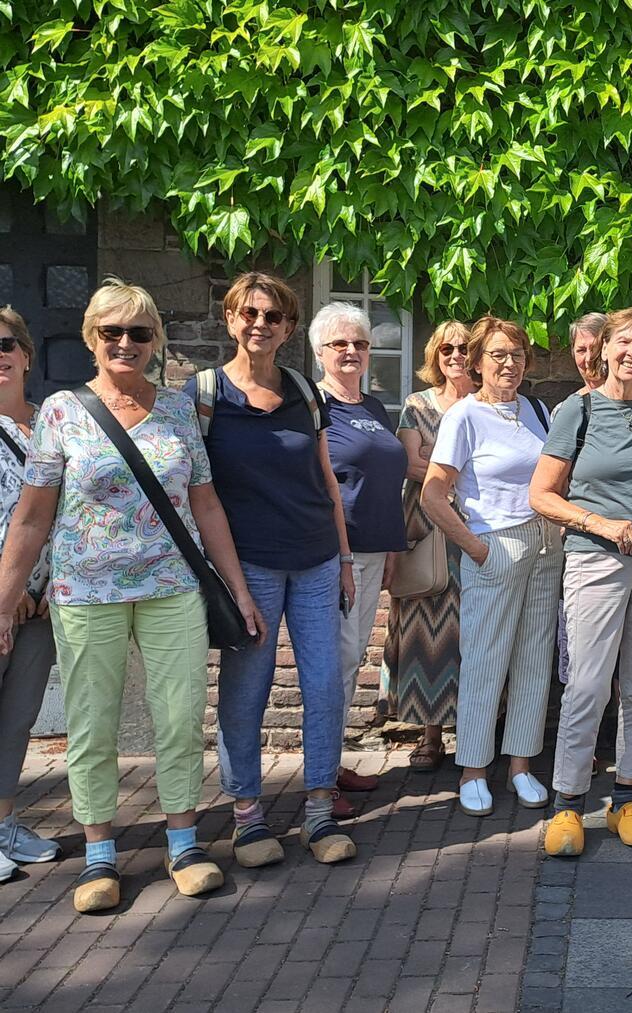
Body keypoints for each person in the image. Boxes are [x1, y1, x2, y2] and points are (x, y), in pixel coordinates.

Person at [0, 279, 262, 911]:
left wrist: (237, 588)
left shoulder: (177, 411)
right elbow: (32, 519)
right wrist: (4, 601)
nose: (125, 343)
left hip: (172, 586)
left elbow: (205, 503)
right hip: (86, 590)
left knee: (178, 716)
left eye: (139, 333)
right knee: (93, 724)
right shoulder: (62, 413)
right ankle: (99, 856)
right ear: (92, 339)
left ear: (154, 342)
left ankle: (183, 843)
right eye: (112, 332)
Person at [185, 271, 357, 869]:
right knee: (246, 691)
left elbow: (326, 480)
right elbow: (193, 491)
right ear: (231, 319)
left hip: (314, 558)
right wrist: (227, 579)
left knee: (324, 686)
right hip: (247, 564)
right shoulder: (203, 394)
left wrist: (343, 560)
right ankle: (248, 817)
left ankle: (317, 810)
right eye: (248, 313)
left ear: (288, 328)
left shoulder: (304, 393)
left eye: (273, 316)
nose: (260, 324)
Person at [531, 308, 632, 855]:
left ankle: (626, 796)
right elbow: (542, 494)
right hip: (596, 559)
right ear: (604, 348)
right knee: (589, 684)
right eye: (624, 342)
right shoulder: (579, 409)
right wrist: (599, 523)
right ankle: (567, 804)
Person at [420, 316, 560, 816]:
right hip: (494, 544)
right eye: (498, 354)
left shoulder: (537, 410)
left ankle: (520, 766)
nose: (509, 363)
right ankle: (474, 769)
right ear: (476, 362)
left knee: (534, 657)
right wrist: (476, 549)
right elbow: (433, 494)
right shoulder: (463, 416)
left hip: (545, 546)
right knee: (485, 659)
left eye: (517, 354)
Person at [312, 302, 408, 814]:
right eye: (340, 344)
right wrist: (348, 555)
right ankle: (319, 777)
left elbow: (383, 482)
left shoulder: (373, 407)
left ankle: (328, 762)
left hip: (373, 550)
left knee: (350, 661)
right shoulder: (314, 405)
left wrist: (390, 545)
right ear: (320, 351)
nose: (352, 351)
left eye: (361, 344)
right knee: (338, 659)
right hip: (336, 553)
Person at [386, 323, 475, 771]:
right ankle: (430, 735)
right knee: (427, 629)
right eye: (447, 348)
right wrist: (465, 474)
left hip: (477, 529)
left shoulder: (486, 401)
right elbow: (412, 464)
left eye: (463, 348)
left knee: (474, 632)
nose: (455, 355)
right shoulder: (416, 405)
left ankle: (477, 733)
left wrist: (442, 468)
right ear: (434, 354)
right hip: (427, 528)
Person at [0, 307, 58, 884]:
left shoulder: (51, 422)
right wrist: (7, 587)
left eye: (5, 344)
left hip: (45, 601)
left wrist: (44, 583)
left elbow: (67, 514)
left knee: (18, 718)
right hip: (1, 597)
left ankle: (4, 822)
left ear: (24, 354)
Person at [555, 311, 609, 687]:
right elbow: (553, 488)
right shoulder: (567, 411)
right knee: (582, 662)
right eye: (579, 349)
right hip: (583, 548)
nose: (587, 358)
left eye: (595, 348)